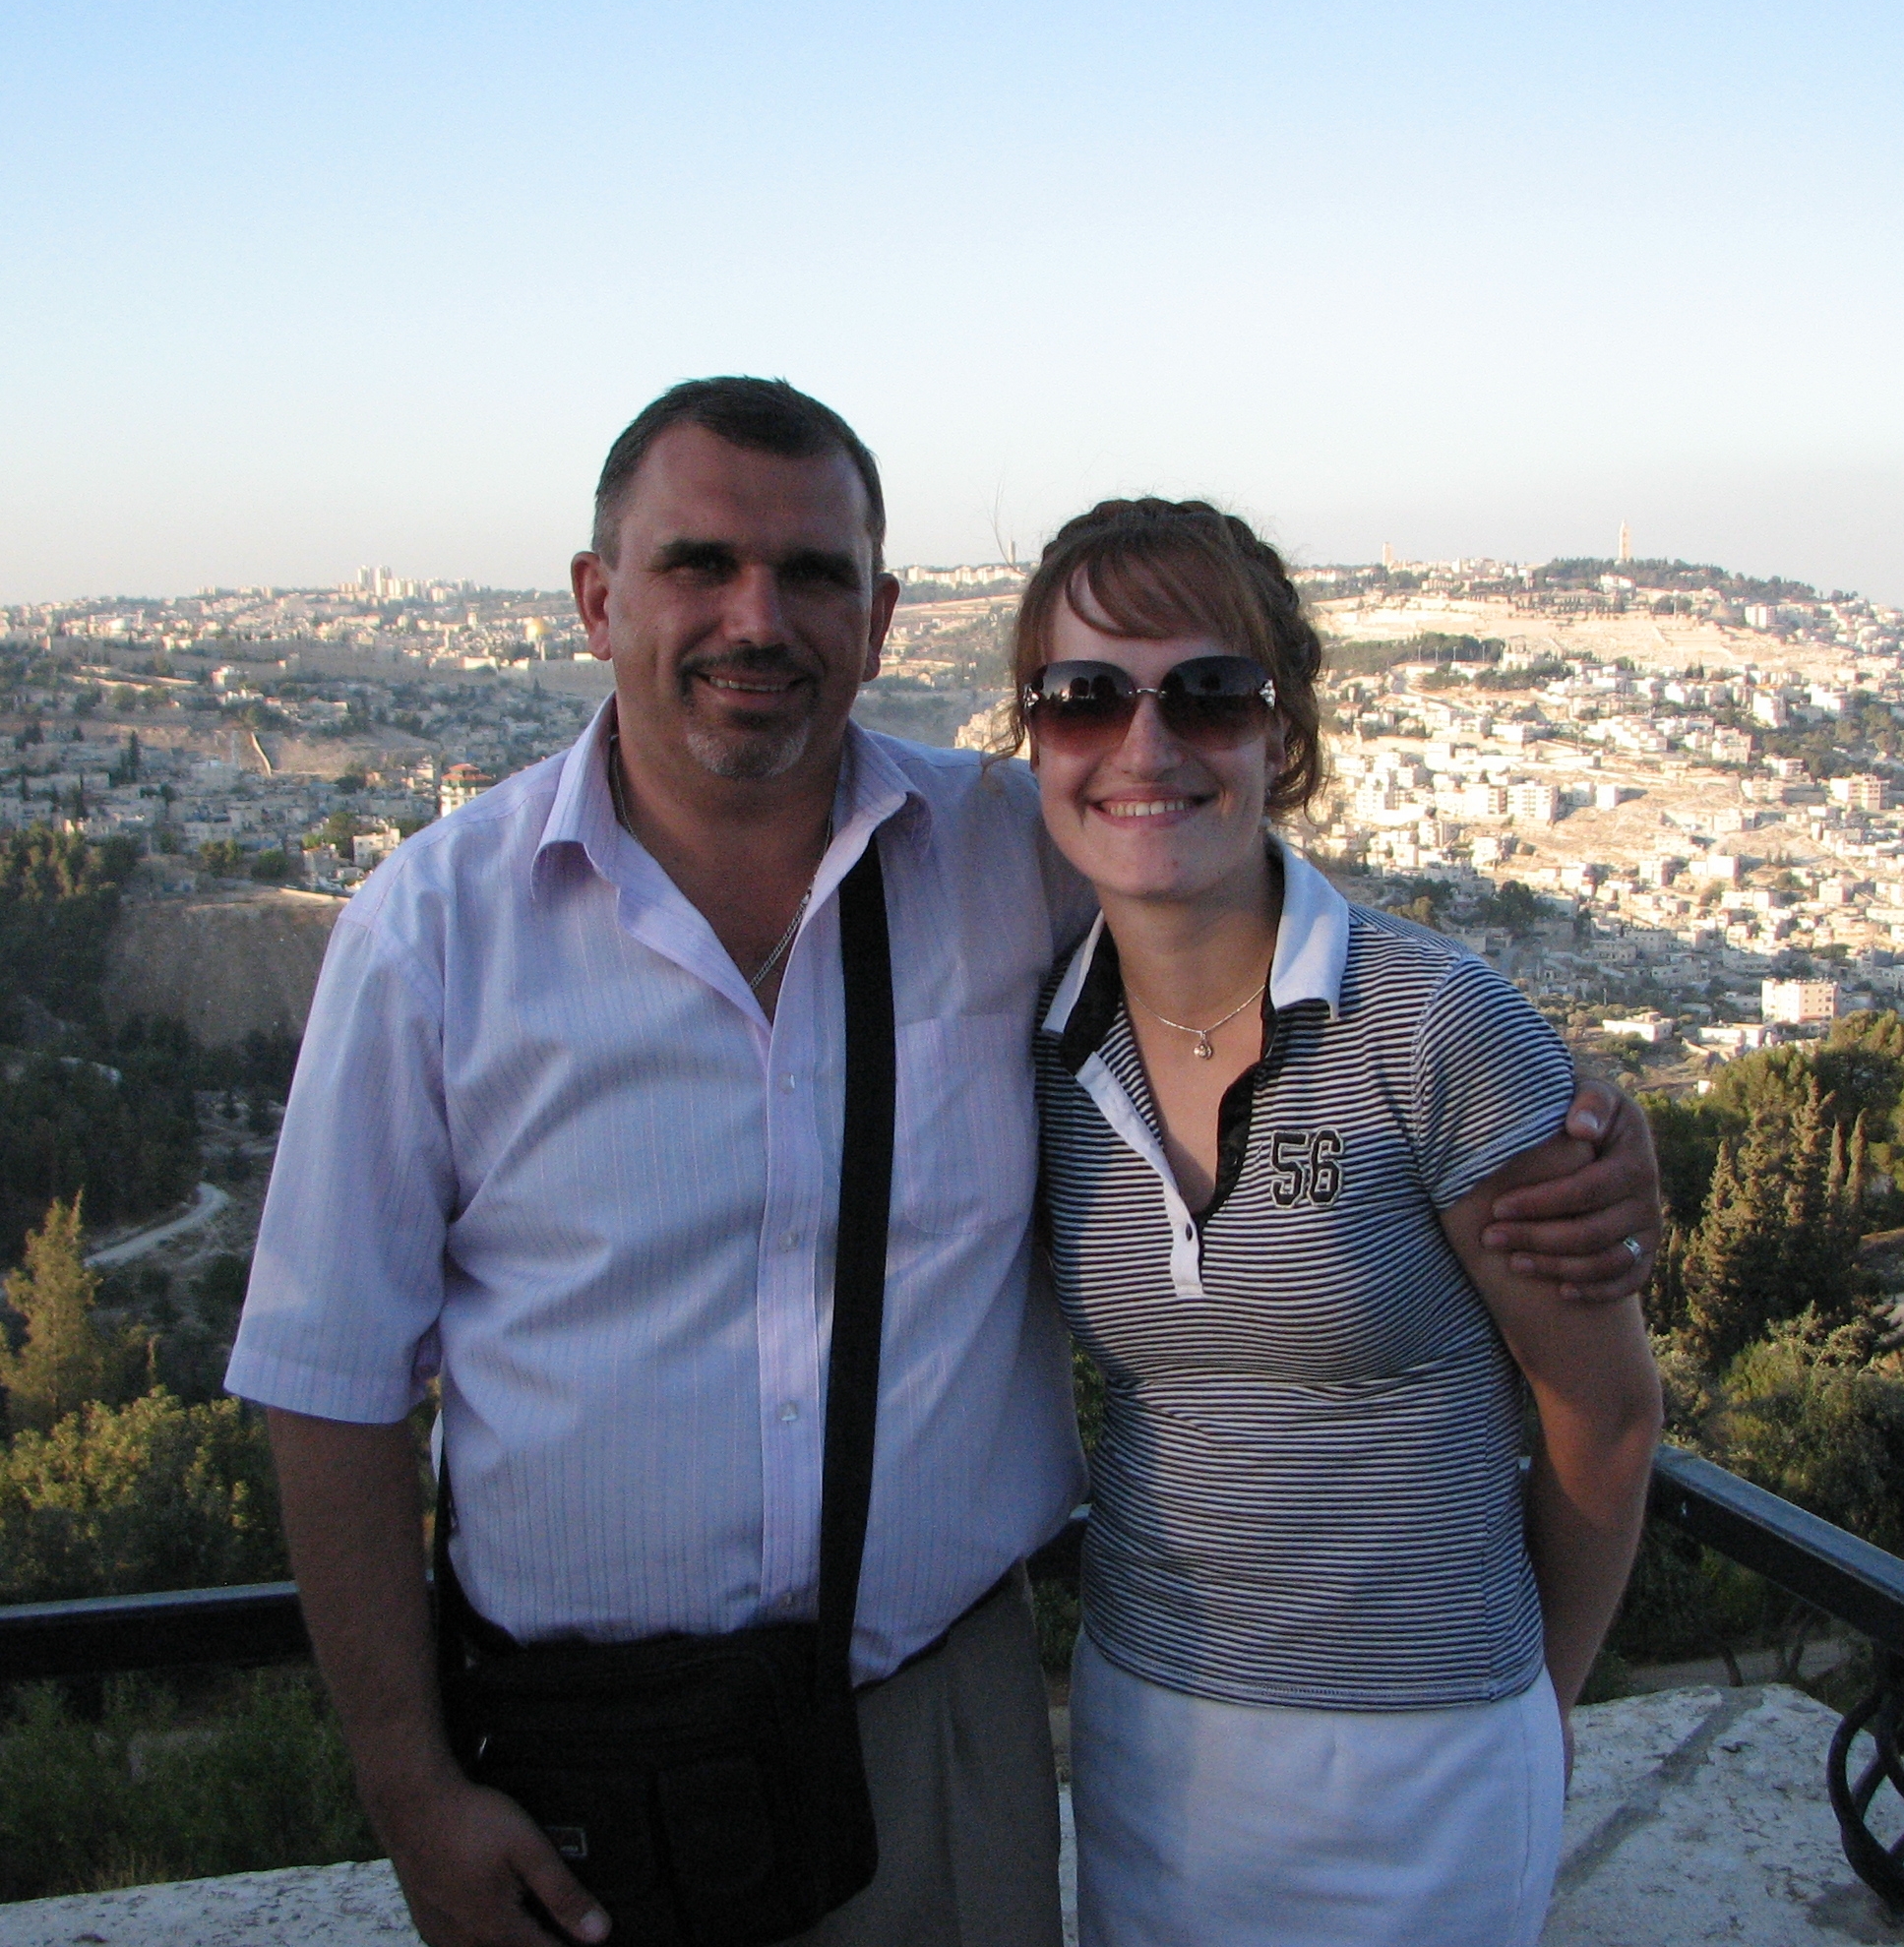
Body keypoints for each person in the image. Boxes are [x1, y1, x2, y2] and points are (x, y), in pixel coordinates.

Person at [227, 380, 1661, 1947]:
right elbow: (329, 1382)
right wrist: (411, 1794)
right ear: (596, 599)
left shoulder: (1008, 848)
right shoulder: (433, 933)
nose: (756, 617)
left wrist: (1573, 1106)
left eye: (816, 574)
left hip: (948, 1726)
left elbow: (1231, 903)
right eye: (699, 563)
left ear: (884, 614)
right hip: (596, 1757)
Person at [1014, 498, 1665, 1947]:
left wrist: (1527, 1707)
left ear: (1282, 735)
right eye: (1083, 699)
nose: (1143, 745)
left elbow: (1608, 1415)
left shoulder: (1434, 1027)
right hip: (1146, 1738)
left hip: (1428, 1765)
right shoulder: (1042, 1049)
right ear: (1035, 740)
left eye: (1207, 694)